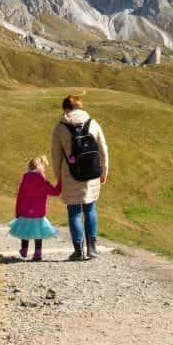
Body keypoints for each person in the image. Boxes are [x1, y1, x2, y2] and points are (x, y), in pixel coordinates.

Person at [51, 94, 109, 261]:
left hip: (70, 175)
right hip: (92, 174)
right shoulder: (93, 123)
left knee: (74, 212)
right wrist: (104, 171)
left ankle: (78, 250)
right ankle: (92, 248)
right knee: (90, 209)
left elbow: (56, 156)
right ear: (80, 107)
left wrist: (58, 176)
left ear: (66, 109)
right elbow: (103, 149)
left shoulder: (60, 128)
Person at [8, 156, 60, 261]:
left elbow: (20, 197)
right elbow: (55, 192)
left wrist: (18, 212)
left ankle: (24, 250)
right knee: (38, 233)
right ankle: (37, 253)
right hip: (39, 214)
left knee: (25, 232)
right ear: (42, 167)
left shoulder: (25, 180)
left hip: (25, 212)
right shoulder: (43, 181)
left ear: (29, 167)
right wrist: (61, 182)